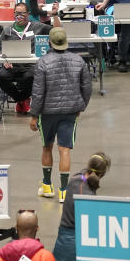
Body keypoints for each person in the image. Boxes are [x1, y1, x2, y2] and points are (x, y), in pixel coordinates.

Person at [29, 27, 91, 202]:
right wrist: (81, 106)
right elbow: (87, 87)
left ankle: (47, 186)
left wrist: (34, 115)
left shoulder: (43, 62)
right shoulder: (79, 61)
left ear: (49, 42)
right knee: (64, 150)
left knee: (46, 147)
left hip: (47, 113)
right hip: (70, 111)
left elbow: (38, 92)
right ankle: (64, 191)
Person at [0, 3, 55, 115]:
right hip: (13, 65)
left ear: (28, 14)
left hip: (31, 65)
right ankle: (21, 99)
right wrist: (5, 62)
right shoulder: (7, 30)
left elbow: (56, 30)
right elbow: (0, 51)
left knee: (31, 76)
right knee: (1, 77)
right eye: (17, 13)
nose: (19, 16)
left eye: (22, 13)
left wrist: (55, 14)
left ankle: (21, 100)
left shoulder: (37, 26)